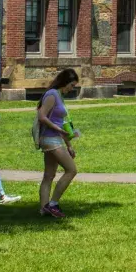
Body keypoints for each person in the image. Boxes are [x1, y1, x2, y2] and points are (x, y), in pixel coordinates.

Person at [36, 68, 80, 218]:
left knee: (49, 175)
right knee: (71, 170)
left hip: (55, 138)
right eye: (72, 85)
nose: (72, 89)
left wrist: (69, 145)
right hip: (50, 139)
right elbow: (41, 116)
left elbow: (62, 123)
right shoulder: (52, 94)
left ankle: (43, 210)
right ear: (65, 82)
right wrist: (58, 130)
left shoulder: (59, 96)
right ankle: (53, 204)